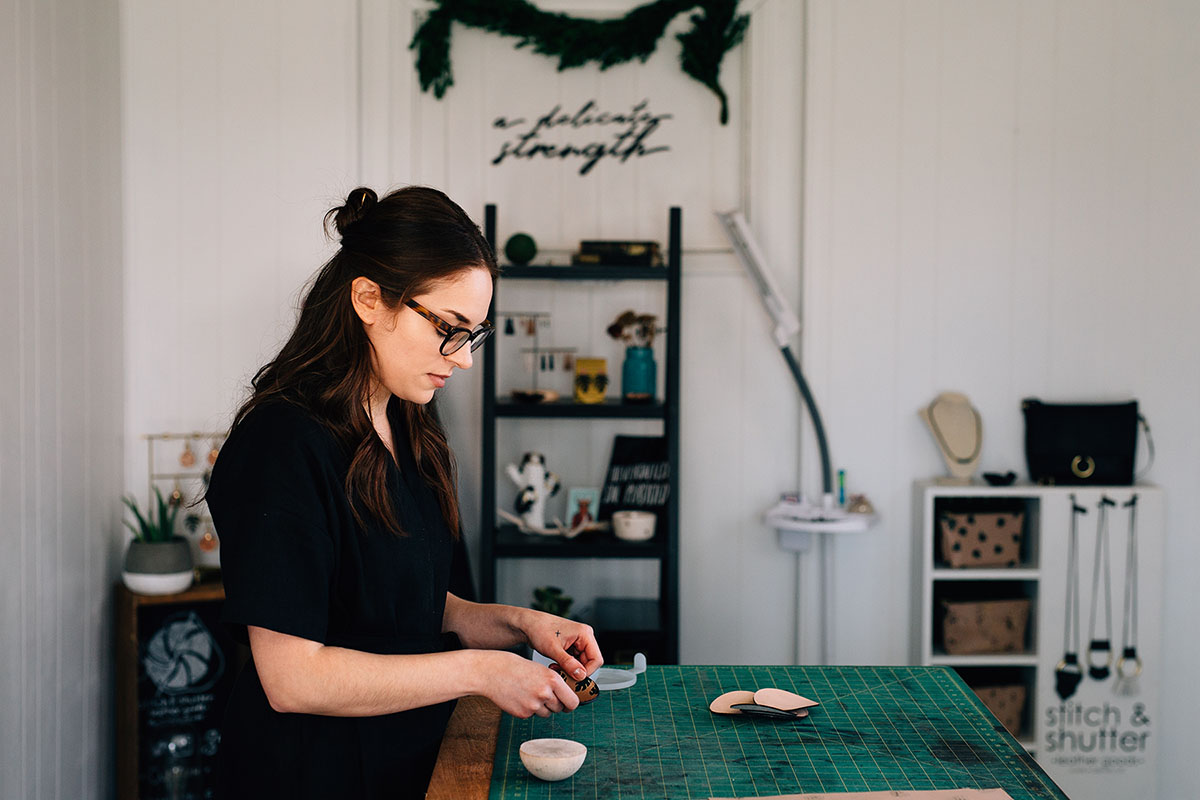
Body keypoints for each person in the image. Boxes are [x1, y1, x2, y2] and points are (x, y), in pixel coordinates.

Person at [205, 185, 603, 799]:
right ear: (368, 298)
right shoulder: (280, 444)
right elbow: (293, 679)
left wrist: (521, 626)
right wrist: (480, 670)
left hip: (411, 762)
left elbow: (397, 601)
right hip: (312, 775)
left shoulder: (410, 422)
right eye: (449, 327)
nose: (464, 359)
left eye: (474, 334)